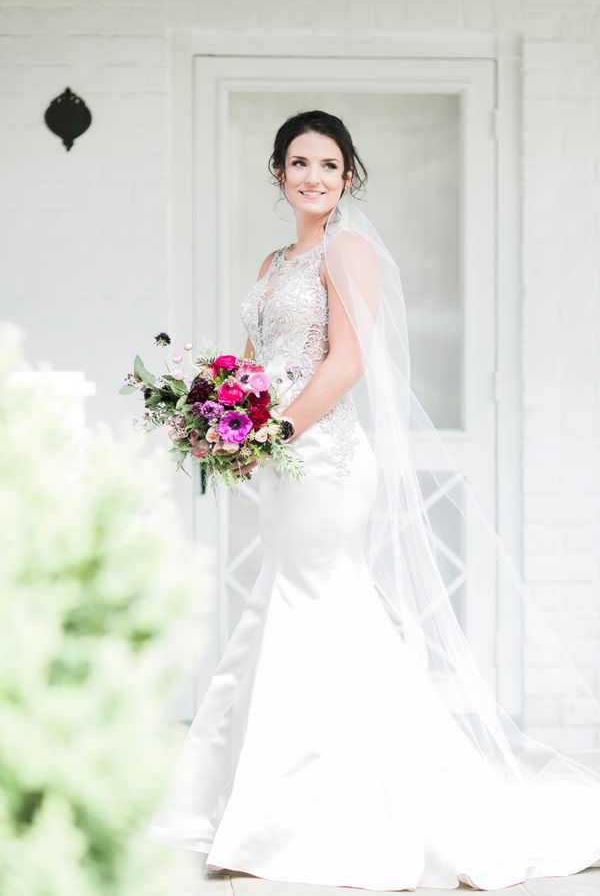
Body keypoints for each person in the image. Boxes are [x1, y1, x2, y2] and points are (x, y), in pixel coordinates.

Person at [149, 110, 600, 890]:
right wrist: (217, 413)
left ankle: (297, 823)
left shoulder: (347, 251)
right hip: (279, 463)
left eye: (328, 164)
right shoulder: (272, 259)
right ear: (279, 172)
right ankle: (268, 810)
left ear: (348, 176)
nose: (313, 176)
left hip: (324, 463)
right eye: (298, 162)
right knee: (288, 614)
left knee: (305, 608)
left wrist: (273, 431)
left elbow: (349, 361)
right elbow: (255, 362)